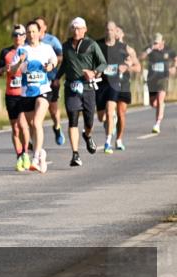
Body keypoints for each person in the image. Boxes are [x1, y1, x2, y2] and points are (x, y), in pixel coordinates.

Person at [10, 21, 57, 173]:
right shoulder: (21, 50)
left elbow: (54, 60)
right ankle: (41, 152)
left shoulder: (46, 48)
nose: (31, 34)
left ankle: (35, 158)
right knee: (32, 126)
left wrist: (50, 66)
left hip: (43, 90)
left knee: (37, 122)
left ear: (39, 33)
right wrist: (20, 62)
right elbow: (12, 71)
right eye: (29, 32)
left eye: (34, 31)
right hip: (27, 93)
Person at [60, 17, 106, 166]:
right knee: (72, 119)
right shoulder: (66, 46)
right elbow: (64, 65)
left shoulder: (91, 44)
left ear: (85, 29)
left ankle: (87, 135)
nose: (76, 31)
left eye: (79, 28)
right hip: (72, 88)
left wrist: (94, 72)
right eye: (73, 28)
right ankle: (75, 154)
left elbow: (103, 63)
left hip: (88, 88)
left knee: (89, 122)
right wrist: (55, 78)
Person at [97, 21, 140, 153]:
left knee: (120, 112)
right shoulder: (99, 45)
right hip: (103, 83)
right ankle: (111, 121)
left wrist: (126, 67)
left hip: (122, 84)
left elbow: (138, 67)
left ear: (118, 32)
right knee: (102, 117)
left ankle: (117, 139)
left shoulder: (127, 49)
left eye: (114, 30)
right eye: (108, 30)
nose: (112, 33)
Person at [0, 24, 31, 171]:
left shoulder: (29, 50)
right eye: (15, 35)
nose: (18, 37)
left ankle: (26, 153)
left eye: (20, 34)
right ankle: (19, 156)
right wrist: (4, 69)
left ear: (25, 36)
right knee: (15, 128)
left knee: (23, 125)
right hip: (11, 95)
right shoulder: (6, 52)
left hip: (25, 94)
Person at [35, 17, 65, 146]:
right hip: (35, 81)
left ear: (45, 27)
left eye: (40, 25)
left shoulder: (52, 40)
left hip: (51, 78)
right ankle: (35, 137)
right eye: (36, 25)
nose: (38, 27)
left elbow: (62, 56)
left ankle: (57, 127)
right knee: (35, 112)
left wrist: (52, 61)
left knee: (53, 110)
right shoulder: (30, 40)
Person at [142, 33, 175, 134]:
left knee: (160, 100)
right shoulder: (150, 49)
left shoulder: (168, 50)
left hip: (163, 78)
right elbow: (141, 57)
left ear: (162, 42)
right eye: (154, 42)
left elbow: (175, 58)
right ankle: (161, 107)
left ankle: (157, 124)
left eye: (157, 43)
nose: (156, 44)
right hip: (152, 79)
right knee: (153, 103)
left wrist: (174, 67)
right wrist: (151, 48)